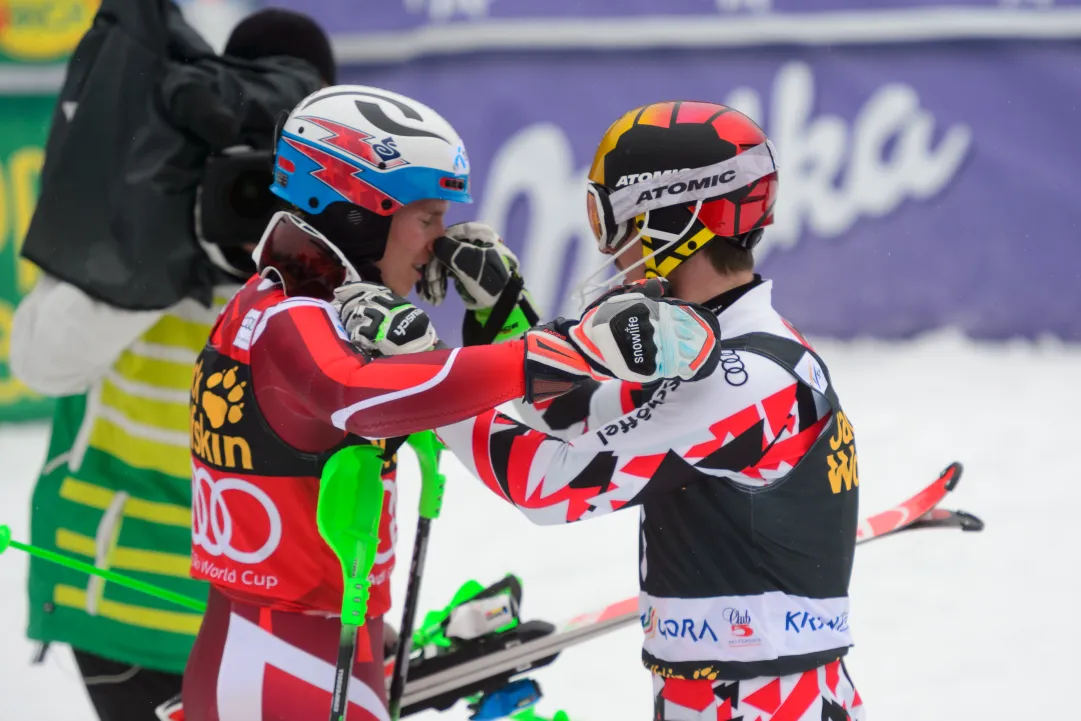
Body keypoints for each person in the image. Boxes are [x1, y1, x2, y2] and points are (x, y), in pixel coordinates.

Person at [179, 84, 722, 721]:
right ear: (360, 211)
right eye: (427, 218)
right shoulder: (285, 320)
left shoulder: (322, 313)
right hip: (278, 669)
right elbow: (359, 399)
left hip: (322, 654)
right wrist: (570, 348)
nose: (440, 241)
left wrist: (502, 314)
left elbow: (534, 420)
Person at [402, 101, 865, 720]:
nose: (613, 250)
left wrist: (417, 370)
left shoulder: (747, 377)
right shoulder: (711, 347)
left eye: (615, 223)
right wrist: (499, 311)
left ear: (672, 222)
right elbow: (572, 411)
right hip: (731, 692)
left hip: (759, 700)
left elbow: (542, 479)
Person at [9, 9, 335, 721]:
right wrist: (164, 250)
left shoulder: (339, 250)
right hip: (124, 600)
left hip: (280, 614)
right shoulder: (146, 208)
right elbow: (38, 362)